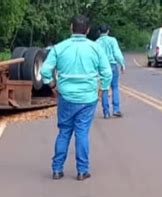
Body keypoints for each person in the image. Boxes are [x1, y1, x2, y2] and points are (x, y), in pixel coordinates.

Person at [41, 15, 112, 181]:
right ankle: (82, 170)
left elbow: (45, 70)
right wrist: (103, 88)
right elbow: (106, 73)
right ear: (87, 30)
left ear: (71, 28)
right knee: (82, 133)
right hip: (88, 98)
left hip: (65, 96)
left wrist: (51, 85)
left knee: (64, 132)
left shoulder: (59, 48)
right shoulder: (95, 49)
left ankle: (57, 169)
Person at [96, 24, 126, 119]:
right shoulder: (112, 40)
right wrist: (122, 64)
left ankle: (106, 112)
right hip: (112, 65)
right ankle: (116, 109)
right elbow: (117, 53)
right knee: (115, 87)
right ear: (108, 31)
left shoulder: (96, 43)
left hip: (102, 67)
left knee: (104, 88)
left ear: (99, 32)